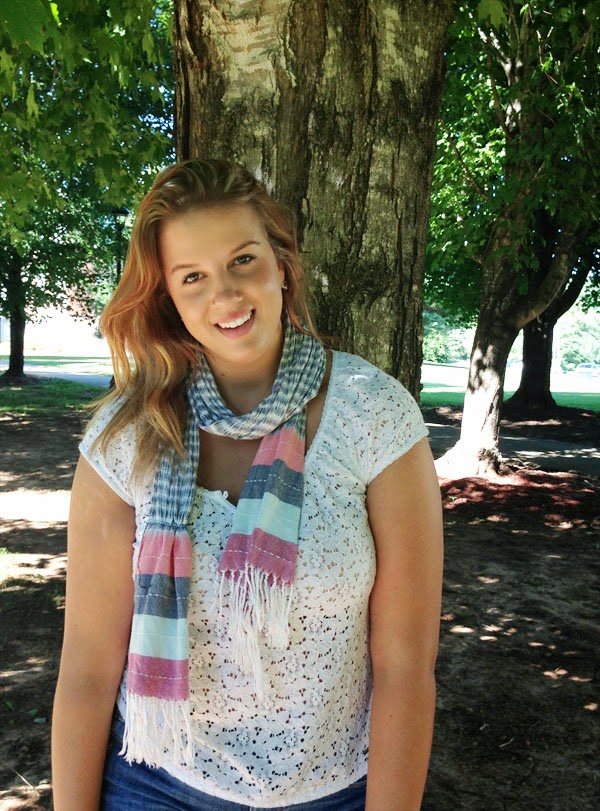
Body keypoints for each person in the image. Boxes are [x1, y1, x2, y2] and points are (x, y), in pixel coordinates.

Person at [52, 159, 443, 811]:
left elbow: (405, 665)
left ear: (281, 264)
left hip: (335, 790)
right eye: (193, 277)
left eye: (242, 260)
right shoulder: (126, 437)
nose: (227, 294)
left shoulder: (373, 413)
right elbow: (89, 668)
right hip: (156, 782)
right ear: (168, 298)